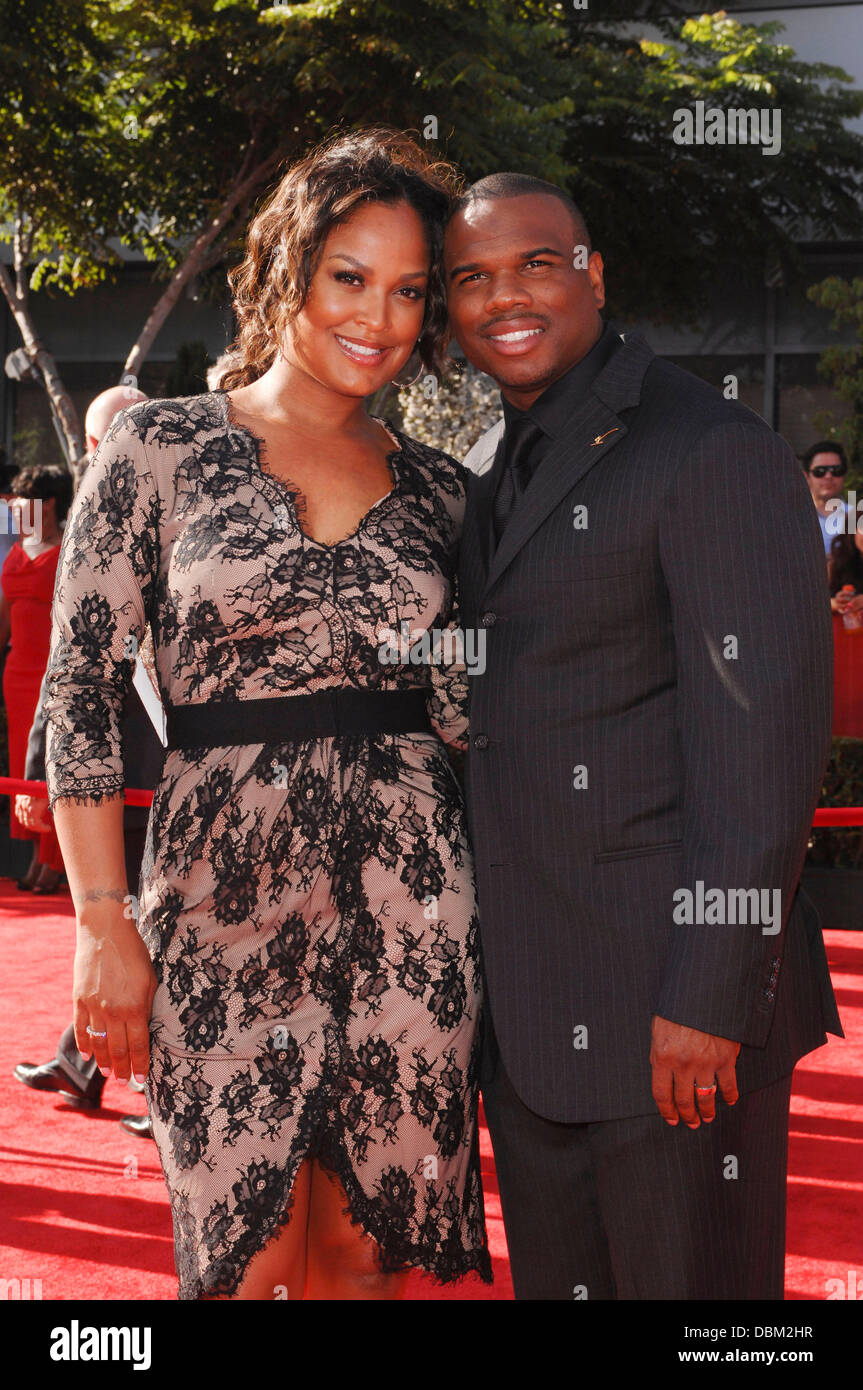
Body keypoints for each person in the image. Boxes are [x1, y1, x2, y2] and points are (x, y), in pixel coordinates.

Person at [42, 128, 491, 1301]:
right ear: (287, 264)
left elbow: (475, 709)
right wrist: (101, 921)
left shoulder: (446, 489)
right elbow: (80, 689)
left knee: (364, 1255)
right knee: (240, 1263)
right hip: (218, 903)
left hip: (414, 906)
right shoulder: (159, 446)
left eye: (408, 291)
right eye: (349, 276)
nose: (379, 318)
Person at [444, 172, 842, 1300]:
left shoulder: (705, 446)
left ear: (591, 272)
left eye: (532, 262)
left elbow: (761, 748)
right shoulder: (484, 466)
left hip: (672, 1017)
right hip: (528, 1018)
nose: (500, 297)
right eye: (470, 277)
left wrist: (708, 995)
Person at [14, 385, 164, 1131]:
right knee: (126, 918)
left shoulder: (189, 512)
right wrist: (40, 768)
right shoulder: (83, 531)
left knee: (158, 921)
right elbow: (62, 673)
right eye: (110, 440)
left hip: (177, 769)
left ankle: (125, 1075)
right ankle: (93, 1061)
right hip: (110, 772)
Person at [0, 465, 73, 892]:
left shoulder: (69, 546)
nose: (15, 507)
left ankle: (57, 862)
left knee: (51, 761)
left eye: (24, 499)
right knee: (21, 766)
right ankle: (33, 857)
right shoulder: (18, 549)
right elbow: (5, 615)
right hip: (17, 671)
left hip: (53, 673)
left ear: (48, 504)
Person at [802, 440, 850, 558]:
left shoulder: (857, 517)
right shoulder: (790, 519)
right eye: (820, 471)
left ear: (844, 474)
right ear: (806, 476)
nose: (828, 476)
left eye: (836, 470)